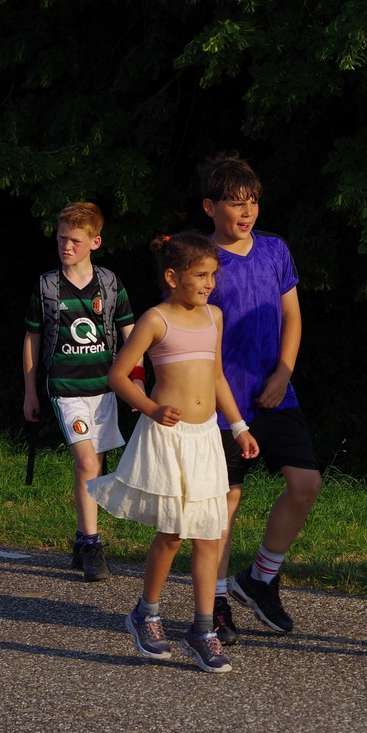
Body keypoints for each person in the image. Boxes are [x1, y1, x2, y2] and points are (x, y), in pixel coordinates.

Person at [87, 232, 259, 673]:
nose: (209, 284)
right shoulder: (156, 319)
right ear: (172, 276)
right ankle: (146, 612)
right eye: (200, 275)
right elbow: (118, 376)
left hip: (206, 438)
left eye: (212, 275)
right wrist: (152, 408)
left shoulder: (215, 316)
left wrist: (239, 426)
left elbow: (217, 377)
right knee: (173, 532)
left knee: (209, 533)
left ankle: (202, 630)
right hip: (167, 436)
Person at [198, 152, 321, 643]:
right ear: (210, 207)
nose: (246, 211)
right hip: (222, 403)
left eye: (252, 202)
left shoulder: (275, 250)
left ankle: (260, 578)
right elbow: (190, 334)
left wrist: (283, 373)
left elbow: (292, 316)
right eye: (234, 203)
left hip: (276, 391)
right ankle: (217, 602)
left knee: (306, 483)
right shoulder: (202, 261)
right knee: (226, 502)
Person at [22, 202, 137, 582]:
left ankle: (79, 537)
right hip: (66, 388)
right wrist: (30, 391)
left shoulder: (110, 283)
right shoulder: (46, 286)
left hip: (104, 388)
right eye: (61, 239)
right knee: (87, 463)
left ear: (95, 242)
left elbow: (132, 334)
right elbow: (32, 338)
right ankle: (92, 544)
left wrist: (137, 381)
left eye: (74, 240)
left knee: (94, 466)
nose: (66, 246)